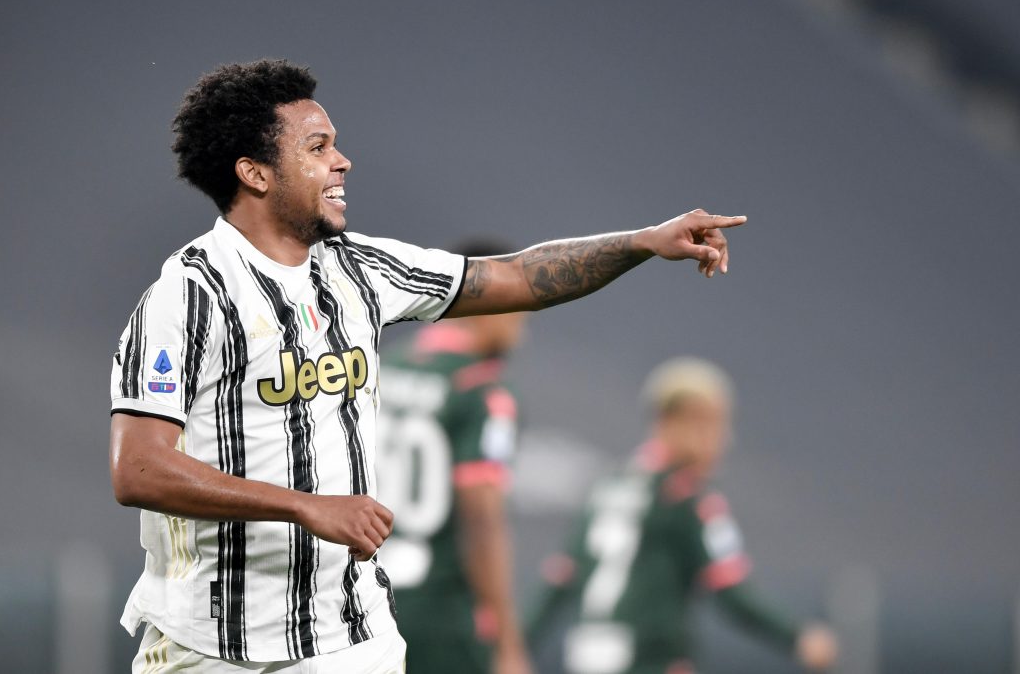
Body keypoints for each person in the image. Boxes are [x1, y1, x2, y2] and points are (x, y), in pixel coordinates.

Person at [107, 58, 746, 673]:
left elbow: (519, 275)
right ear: (255, 173)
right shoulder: (188, 296)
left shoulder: (359, 268)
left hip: (352, 638)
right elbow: (137, 469)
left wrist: (642, 242)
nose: (342, 160)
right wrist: (305, 506)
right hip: (215, 644)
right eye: (318, 146)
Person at [526, 358, 838, 674]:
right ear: (668, 424)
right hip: (651, 661)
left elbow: (559, 582)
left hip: (586, 656)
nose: (723, 439)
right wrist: (799, 638)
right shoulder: (689, 500)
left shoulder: (607, 486)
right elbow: (733, 594)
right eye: (709, 424)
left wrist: (515, 649)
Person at [376, 238, 532, 674]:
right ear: (494, 299)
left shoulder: (386, 366)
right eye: (522, 305)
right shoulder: (483, 392)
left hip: (362, 597)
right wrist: (507, 642)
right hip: (439, 609)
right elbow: (481, 518)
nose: (523, 326)